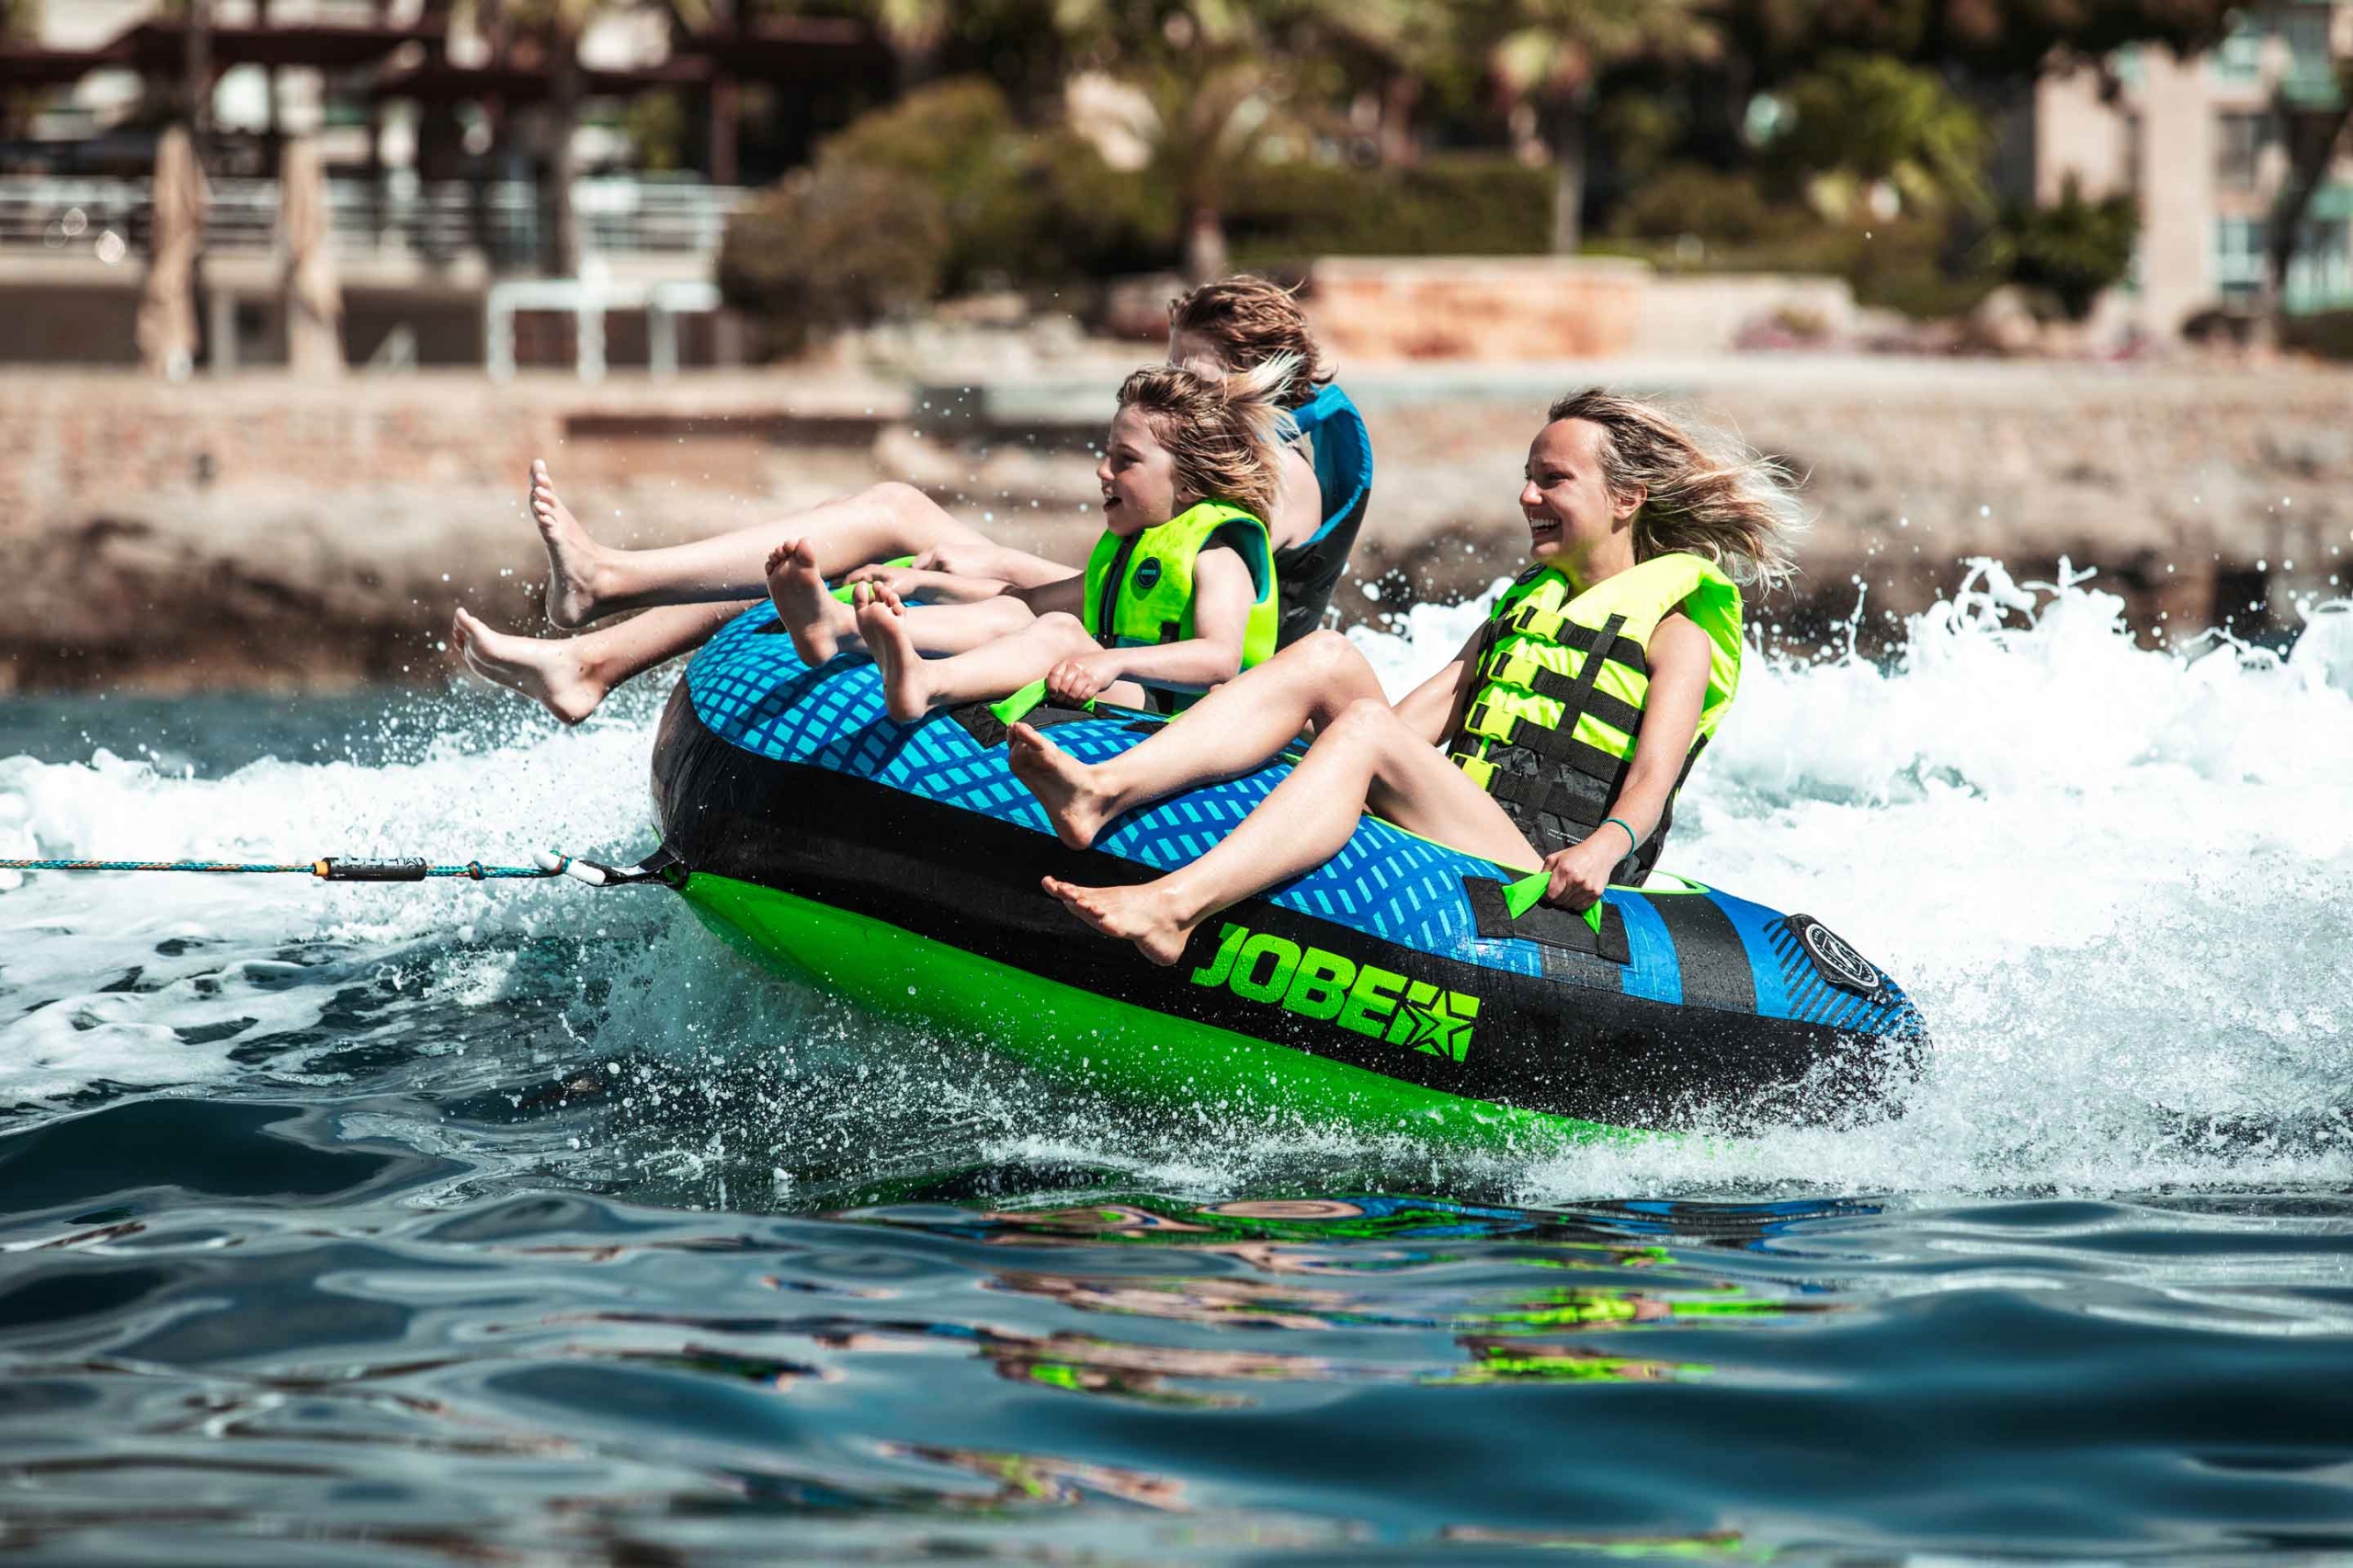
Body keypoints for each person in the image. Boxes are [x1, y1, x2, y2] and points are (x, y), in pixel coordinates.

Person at [1010, 389, 1803, 967]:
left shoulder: (1677, 631)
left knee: (1361, 729)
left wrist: (1602, 851)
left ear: (1625, 497)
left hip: (1539, 863)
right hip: (1461, 817)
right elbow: (1412, 719)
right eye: (1528, 475)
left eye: (1553, 479)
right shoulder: (1526, 605)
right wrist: (1275, 751)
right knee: (1328, 658)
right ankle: (1103, 789)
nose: (1527, 494)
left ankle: (1175, 908)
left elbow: (1654, 780)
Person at [449, 277, 1373, 723]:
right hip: (1116, 608)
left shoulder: (1278, 479)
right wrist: (986, 565)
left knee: (894, 536)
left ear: (1258, 378)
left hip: (1168, 668)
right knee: (891, 525)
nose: (1174, 390)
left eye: (1192, 376)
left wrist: (998, 568)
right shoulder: (1242, 446)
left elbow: (1174, 601)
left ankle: (602, 625)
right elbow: (1130, 571)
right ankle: (600, 624)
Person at [838, 356, 1292, 723]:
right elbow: (1027, 600)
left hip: (1182, 717)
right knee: (1022, 614)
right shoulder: (1130, 553)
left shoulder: (1218, 557)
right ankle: (843, 628)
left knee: (1061, 632)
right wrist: (923, 585)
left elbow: (1219, 659)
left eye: (1126, 460)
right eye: (1107, 454)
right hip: (1132, 694)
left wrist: (1112, 663)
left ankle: (930, 682)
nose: (1103, 470)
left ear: (1189, 482)